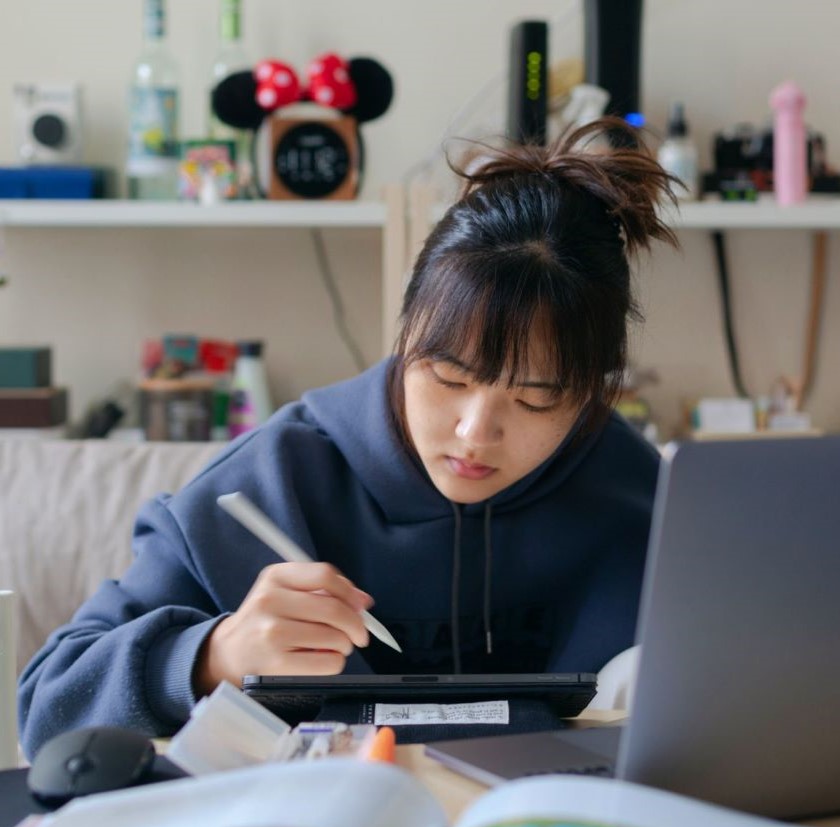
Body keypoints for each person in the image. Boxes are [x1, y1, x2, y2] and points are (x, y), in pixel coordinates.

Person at [18, 118, 678, 757]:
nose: (476, 433)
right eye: (448, 377)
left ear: (594, 390)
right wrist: (214, 654)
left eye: (536, 398)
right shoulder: (270, 482)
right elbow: (46, 705)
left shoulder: (641, 496)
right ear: (404, 334)